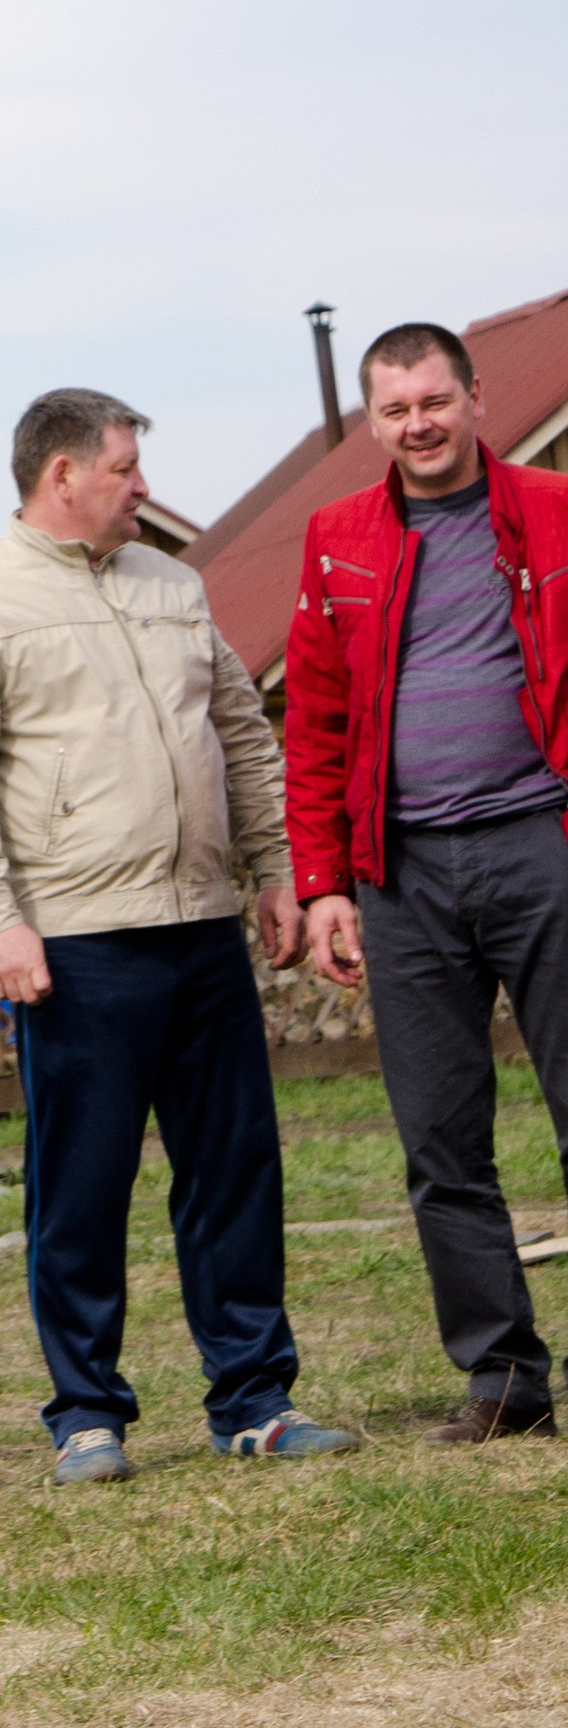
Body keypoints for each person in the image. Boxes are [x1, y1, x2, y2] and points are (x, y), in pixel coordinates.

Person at [0, 389, 351, 1484]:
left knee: (233, 1170)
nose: (141, 486)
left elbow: (240, 737)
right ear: (61, 475)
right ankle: (87, 1415)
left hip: (199, 927)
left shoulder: (173, 585)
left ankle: (252, 1399)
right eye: (123, 468)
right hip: (77, 943)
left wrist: (275, 873)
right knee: (83, 1185)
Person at [289, 321, 568, 1442]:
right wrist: (324, 884)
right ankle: (501, 1376)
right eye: (396, 408)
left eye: (434, 400)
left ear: (474, 398)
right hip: (399, 873)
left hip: (540, 844)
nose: (418, 424)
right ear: (373, 421)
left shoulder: (552, 511)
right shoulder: (335, 537)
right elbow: (311, 720)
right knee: (440, 1140)